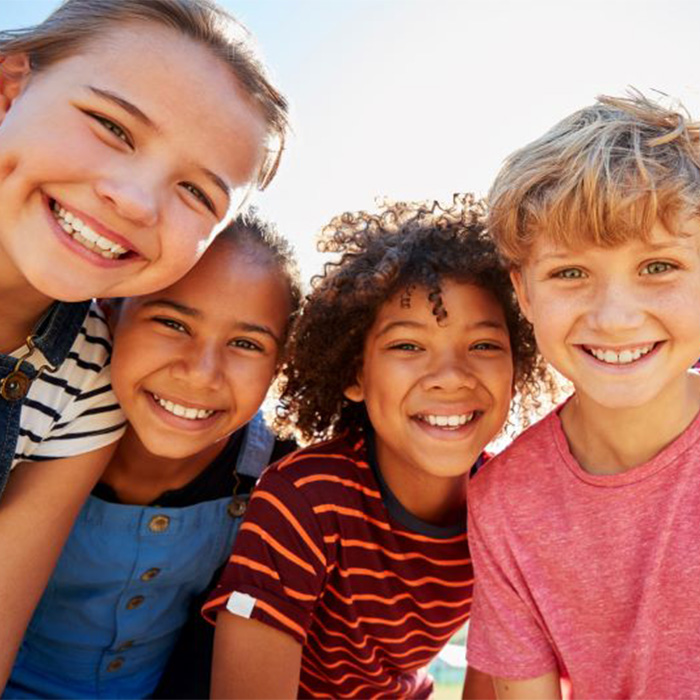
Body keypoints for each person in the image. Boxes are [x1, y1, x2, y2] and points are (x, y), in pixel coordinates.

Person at [0, 0, 288, 688]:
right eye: (111, 126)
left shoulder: (86, 384)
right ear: (11, 87)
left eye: (196, 191)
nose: (134, 200)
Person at [204, 196, 553, 699]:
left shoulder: (509, 508)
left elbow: (497, 678)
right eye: (408, 346)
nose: (451, 377)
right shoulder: (306, 498)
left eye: (483, 346)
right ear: (355, 374)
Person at [4, 212, 301, 699]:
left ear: (280, 365)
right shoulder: (35, 421)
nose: (202, 374)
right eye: (172, 322)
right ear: (109, 312)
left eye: (246, 343)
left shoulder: (279, 477)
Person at [465, 92, 700, 699]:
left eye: (659, 267)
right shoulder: (504, 503)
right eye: (570, 273)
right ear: (523, 291)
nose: (616, 318)